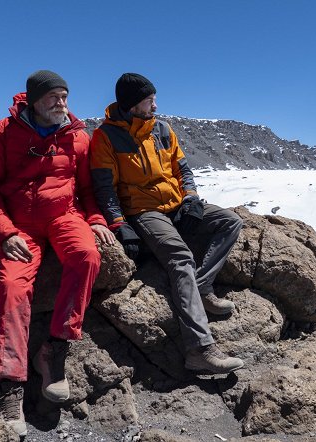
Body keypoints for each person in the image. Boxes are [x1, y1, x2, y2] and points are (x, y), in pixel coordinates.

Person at [0, 70, 114, 436]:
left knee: (86, 256)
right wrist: (4, 233)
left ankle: (54, 348)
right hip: (20, 225)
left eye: (65, 96)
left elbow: (85, 187)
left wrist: (96, 219)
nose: (61, 103)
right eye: (53, 97)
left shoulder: (77, 137)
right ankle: (9, 386)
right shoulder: (2, 132)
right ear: (34, 101)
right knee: (12, 287)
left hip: (64, 216)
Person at [90, 73, 245, 375]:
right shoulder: (106, 137)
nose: (156, 106)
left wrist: (191, 199)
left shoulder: (162, 130)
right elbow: (104, 187)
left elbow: (183, 169)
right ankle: (200, 350)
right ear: (133, 104)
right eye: (150, 101)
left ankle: (201, 286)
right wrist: (119, 223)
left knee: (230, 222)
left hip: (176, 205)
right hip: (144, 212)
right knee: (180, 258)